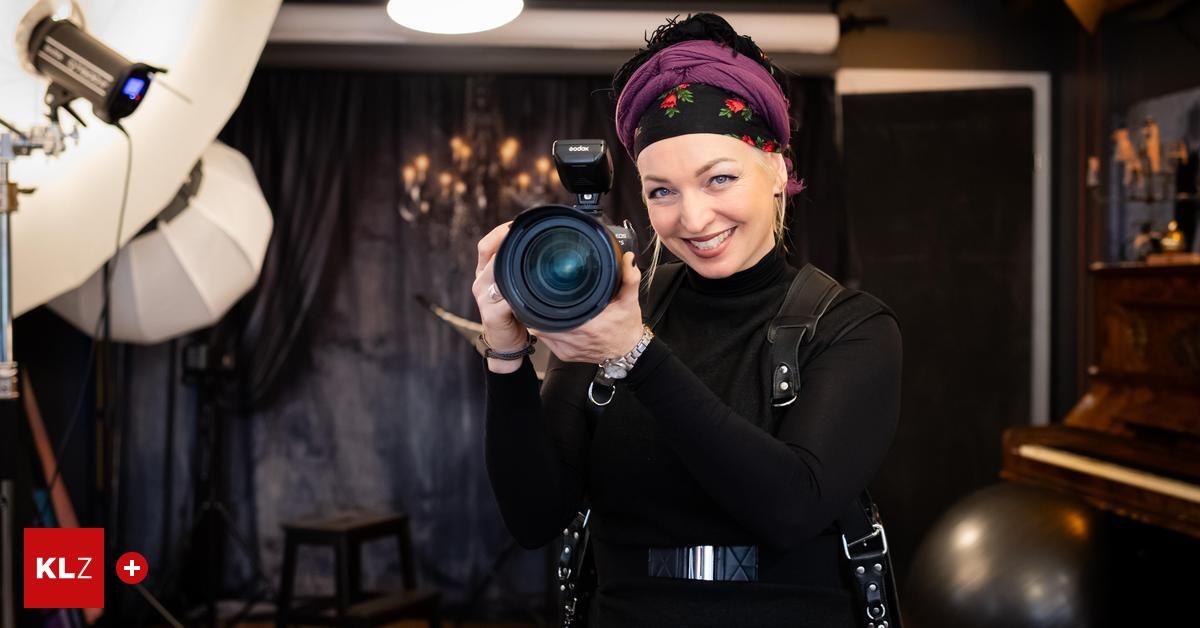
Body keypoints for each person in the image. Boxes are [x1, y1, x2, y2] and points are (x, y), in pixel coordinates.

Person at [472, 13, 902, 628]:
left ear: (777, 170)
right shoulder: (616, 310)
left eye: (719, 178)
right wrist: (506, 357)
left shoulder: (850, 327)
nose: (693, 219)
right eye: (661, 192)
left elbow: (791, 509)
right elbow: (534, 517)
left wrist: (638, 356)